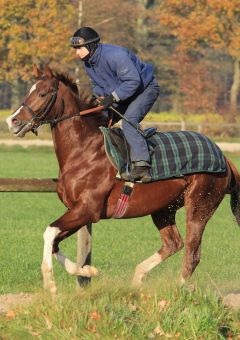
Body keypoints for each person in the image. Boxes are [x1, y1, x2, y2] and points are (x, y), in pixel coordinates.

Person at [70, 27, 160, 182]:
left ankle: (142, 167)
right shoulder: (88, 64)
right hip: (122, 94)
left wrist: (112, 97)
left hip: (144, 90)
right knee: (98, 120)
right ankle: (101, 162)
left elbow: (133, 82)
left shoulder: (116, 56)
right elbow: (97, 85)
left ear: (91, 46)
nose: (76, 52)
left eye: (79, 48)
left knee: (129, 122)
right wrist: (100, 98)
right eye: (75, 49)